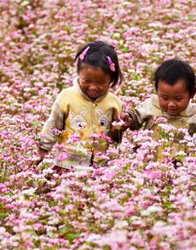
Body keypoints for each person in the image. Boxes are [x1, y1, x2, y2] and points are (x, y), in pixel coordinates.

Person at [37, 41, 130, 169]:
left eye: (101, 82)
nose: (93, 87)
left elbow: (115, 139)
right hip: (68, 164)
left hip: (101, 166)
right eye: (87, 80)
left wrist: (119, 128)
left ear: (112, 80)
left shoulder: (115, 103)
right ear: (79, 74)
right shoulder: (66, 97)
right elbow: (53, 124)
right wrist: (43, 147)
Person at [124, 59, 196, 135]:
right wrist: (126, 119)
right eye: (165, 98)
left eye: (178, 99)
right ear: (157, 91)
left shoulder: (195, 114)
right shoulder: (151, 105)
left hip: (180, 159)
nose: (171, 104)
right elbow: (134, 118)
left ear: (192, 93)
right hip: (148, 156)